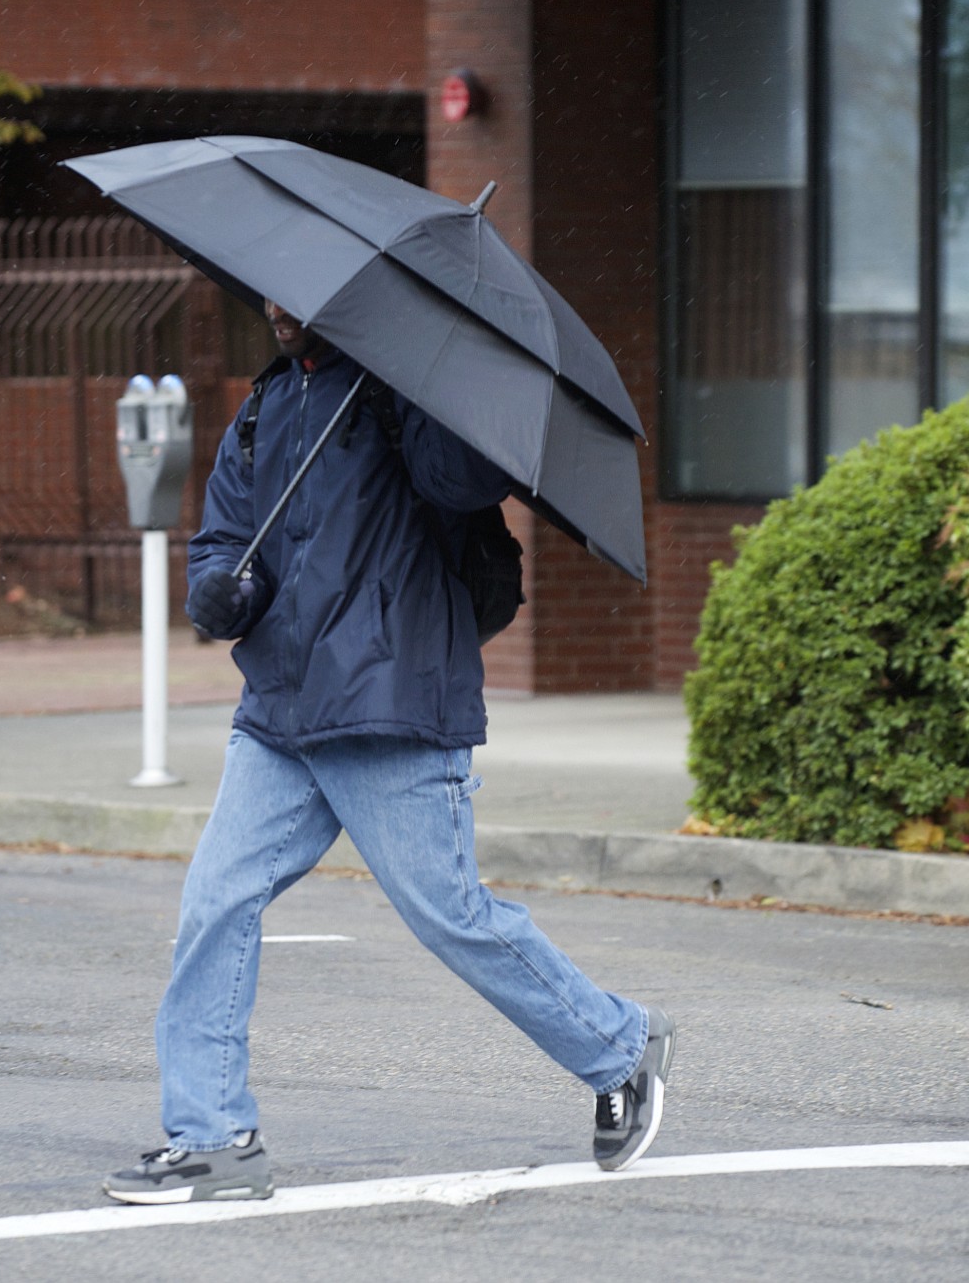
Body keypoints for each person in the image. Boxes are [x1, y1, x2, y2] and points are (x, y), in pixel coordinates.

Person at [102, 301, 673, 1205]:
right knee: (214, 901)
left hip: (391, 698)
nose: (283, 311)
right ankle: (212, 1137)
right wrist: (217, 591)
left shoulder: (415, 395)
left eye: (304, 300)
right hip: (282, 711)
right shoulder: (265, 405)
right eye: (272, 295)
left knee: (451, 915)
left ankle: (619, 1044)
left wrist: (408, 383)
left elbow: (466, 484)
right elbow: (223, 536)